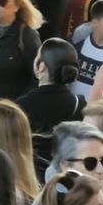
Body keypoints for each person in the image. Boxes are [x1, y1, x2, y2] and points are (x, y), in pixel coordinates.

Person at [14, 38, 86, 175]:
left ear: (41, 67)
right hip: (62, 177)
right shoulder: (79, 104)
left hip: (28, 176)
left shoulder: (22, 105)